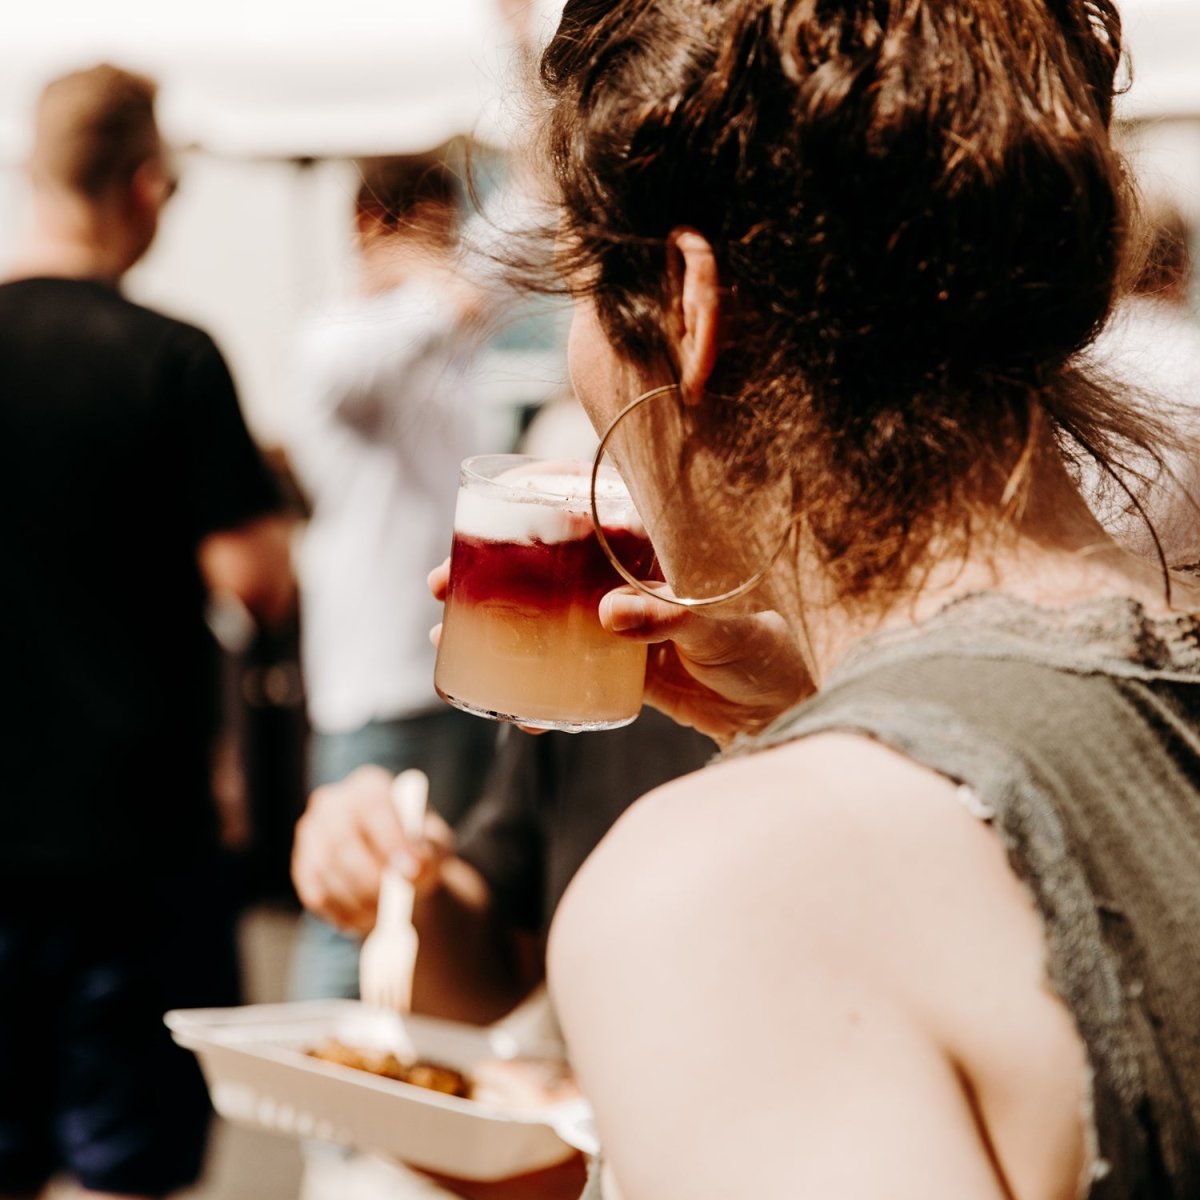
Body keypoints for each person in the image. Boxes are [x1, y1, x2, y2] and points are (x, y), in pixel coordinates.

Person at [491, 1, 1200, 1198]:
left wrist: (824, 777)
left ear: (685, 302)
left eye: (574, 288)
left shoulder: (730, 891)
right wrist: (829, 715)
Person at [0, 63, 293, 1200]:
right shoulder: (172, 354)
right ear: (144, 185)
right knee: (129, 1165)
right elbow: (256, 577)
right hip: (135, 834)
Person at [283, 153, 498, 1010]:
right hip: (377, 682)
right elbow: (456, 301)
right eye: (429, 235)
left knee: (440, 899)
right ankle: (329, 1142)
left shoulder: (438, 348)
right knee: (348, 911)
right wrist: (425, 269)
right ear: (373, 229)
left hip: (456, 676)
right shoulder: (336, 342)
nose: (446, 259)